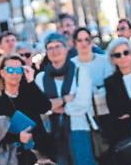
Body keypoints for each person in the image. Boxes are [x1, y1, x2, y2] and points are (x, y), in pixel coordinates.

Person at [37, 33, 96, 165]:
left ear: (66, 48)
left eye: (58, 46)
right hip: (51, 133)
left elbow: (82, 104)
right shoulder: (41, 78)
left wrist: (53, 107)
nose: (54, 50)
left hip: (78, 130)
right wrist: (65, 99)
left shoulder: (80, 72)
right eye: (50, 47)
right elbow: (40, 108)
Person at [0, 54, 53, 165]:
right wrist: (17, 137)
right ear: (2, 73)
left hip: (38, 154)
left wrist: (31, 81)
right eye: (10, 70)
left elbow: (45, 107)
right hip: (11, 156)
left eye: (18, 70)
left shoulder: (30, 91)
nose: (15, 74)